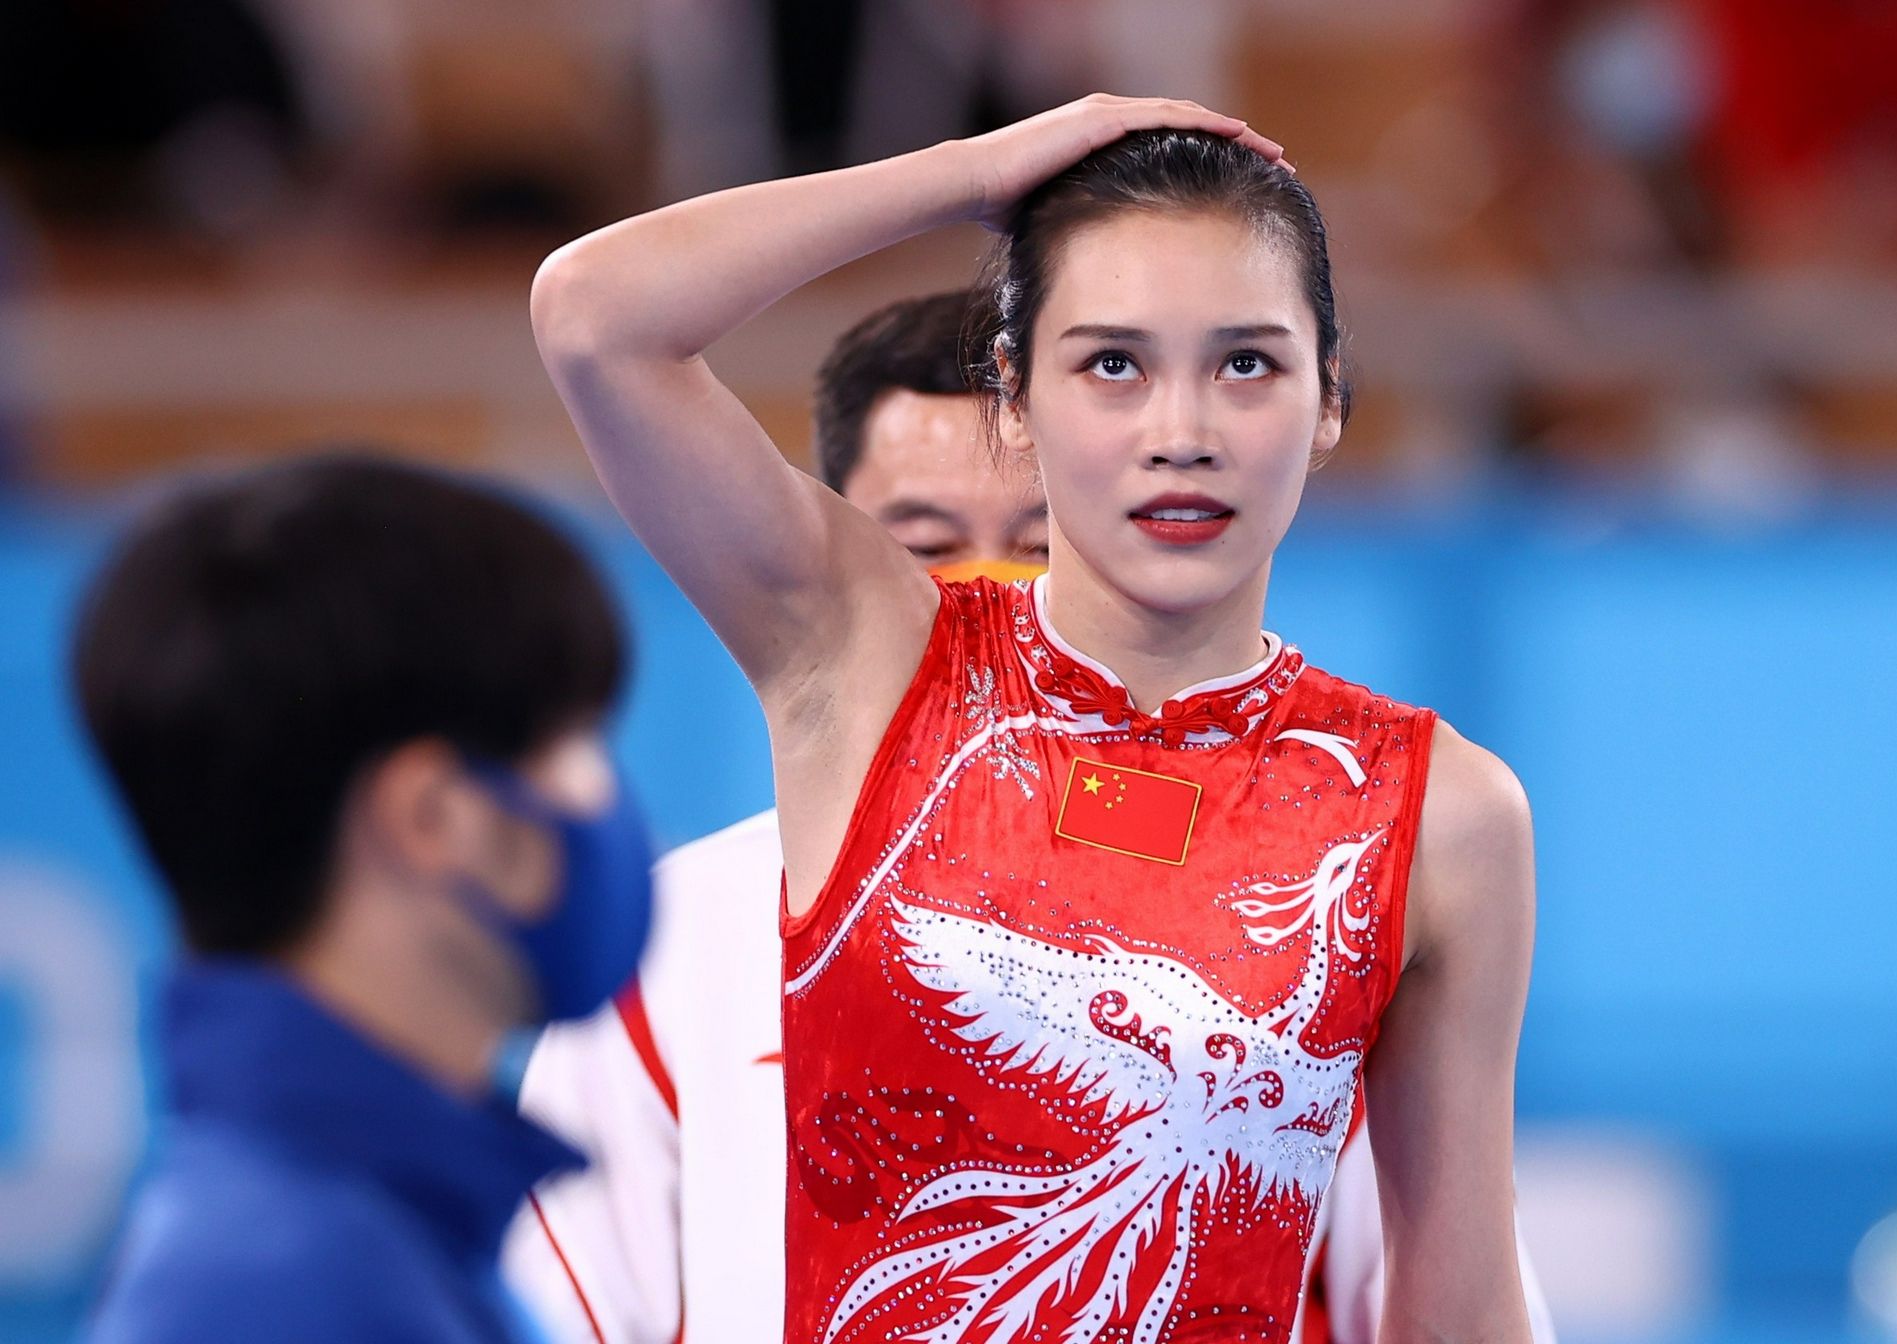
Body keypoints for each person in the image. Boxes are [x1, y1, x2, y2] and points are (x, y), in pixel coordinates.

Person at [531, 95, 1537, 1343]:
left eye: (1246, 365)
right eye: (1112, 364)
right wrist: (972, 170)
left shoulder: (1437, 810)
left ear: (1328, 400)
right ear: (1013, 399)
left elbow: (1460, 1312)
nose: (1182, 436)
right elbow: (594, 316)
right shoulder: (870, 661)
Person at [73, 454, 656, 1344]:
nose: (604, 796)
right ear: (433, 816)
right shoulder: (289, 1288)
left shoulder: (362, 1240)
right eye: (572, 743)